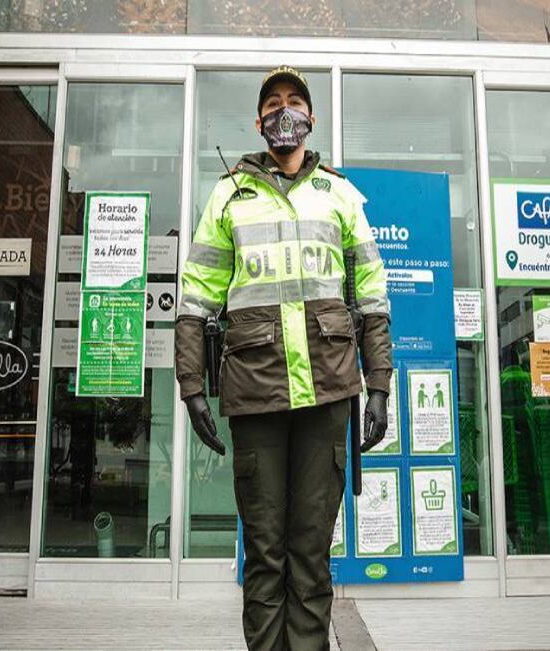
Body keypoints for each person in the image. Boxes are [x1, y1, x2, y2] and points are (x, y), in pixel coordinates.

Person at [174, 66, 393, 651]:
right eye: (274, 103)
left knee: (312, 551)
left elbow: (372, 295)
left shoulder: (341, 193)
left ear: (311, 119)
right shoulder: (229, 194)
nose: (284, 111)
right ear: (259, 121)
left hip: (328, 392)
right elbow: (195, 296)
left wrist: (380, 386)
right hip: (256, 390)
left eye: (295, 101)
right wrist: (191, 385)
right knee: (265, 552)